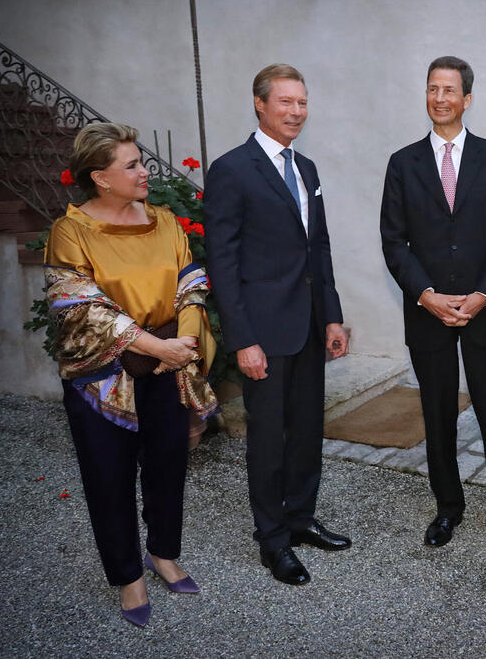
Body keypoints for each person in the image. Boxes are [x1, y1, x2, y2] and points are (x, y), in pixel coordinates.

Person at [44, 122, 219, 627]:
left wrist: (181, 345)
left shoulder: (164, 220)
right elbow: (79, 304)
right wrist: (153, 345)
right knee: (108, 478)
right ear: (100, 178)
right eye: (132, 165)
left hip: (167, 365)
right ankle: (128, 576)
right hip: (102, 378)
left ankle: (163, 552)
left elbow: (192, 281)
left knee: (168, 466)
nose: (145, 171)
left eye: (141, 161)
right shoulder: (71, 231)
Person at [204, 64, 351, 587]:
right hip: (263, 333)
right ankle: (272, 539)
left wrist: (332, 315)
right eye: (286, 102)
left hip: (310, 326)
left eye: (303, 103)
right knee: (268, 438)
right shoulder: (232, 169)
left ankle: (301, 518)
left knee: (308, 430)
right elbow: (221, 263)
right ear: (260, 104)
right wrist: (243, 340)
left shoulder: (307, 169)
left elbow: (320, 248)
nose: (296, 112)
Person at [380, 56, 486, 548]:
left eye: (449, 90)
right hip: (427, 313)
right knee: (437, 411)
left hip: (485, 309)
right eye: (432, 89)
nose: (439, 98)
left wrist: (482, 295)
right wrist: (427, 296)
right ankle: (447, 508)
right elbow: (393, 241)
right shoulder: (403, 164)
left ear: (466, 98)